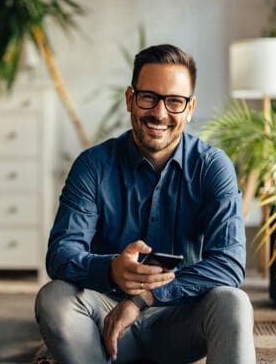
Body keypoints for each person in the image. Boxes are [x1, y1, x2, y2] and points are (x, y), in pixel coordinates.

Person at [35, 44, 255, 364]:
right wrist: (111, 270)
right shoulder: (93, 165)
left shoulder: (212, 166)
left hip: (179, 321)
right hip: (103, 325)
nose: (160, 113)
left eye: (175, 101)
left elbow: (230, 264)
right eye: (148, 97)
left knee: (234, 302)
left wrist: (143, 298)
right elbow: (61, 254)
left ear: (190, 108)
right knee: (53, 298)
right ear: (130, 99)